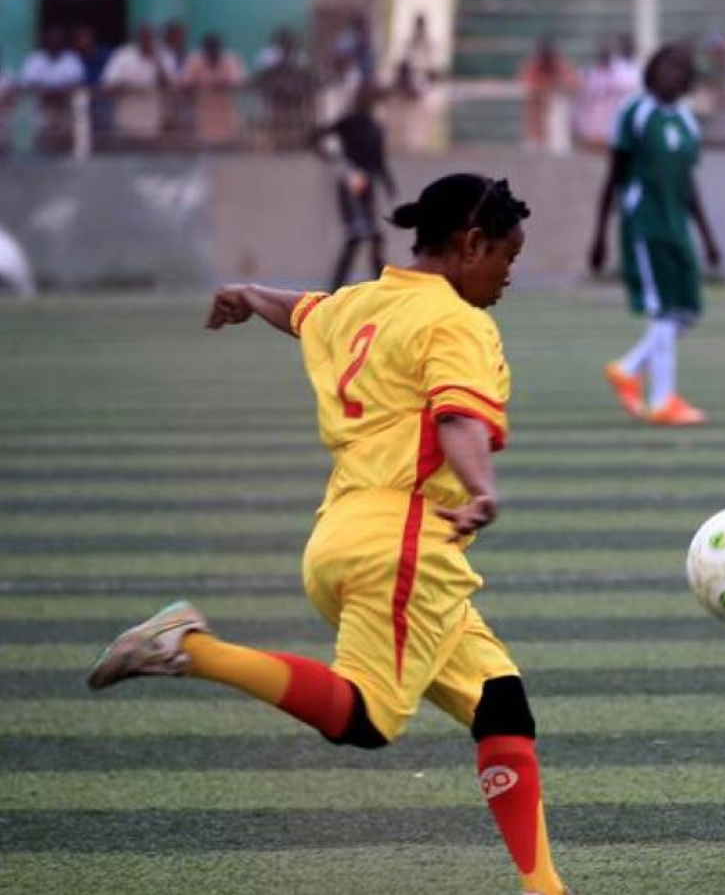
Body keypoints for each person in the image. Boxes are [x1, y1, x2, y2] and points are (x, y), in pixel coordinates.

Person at [86, 173, 574, 895]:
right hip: (409, 541)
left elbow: (302, 312)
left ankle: (547, 890)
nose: (508, 274)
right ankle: (190, 648)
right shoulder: (456, 321)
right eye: (506, 255)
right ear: (471, 244)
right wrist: (482, 488)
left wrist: (250, 297)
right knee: (366, 720)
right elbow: (457, 417)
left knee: (500, 702)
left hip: (342, 536)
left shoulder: (359, 302)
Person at [590, 44, 724, 426]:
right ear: (651, 72)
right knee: (663, 311)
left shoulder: (686, 120)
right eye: (665, 68)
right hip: (644, 224)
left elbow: (687, 183)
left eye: (680, 70)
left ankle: (628, 368)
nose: (672, 76)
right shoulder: (635, 112)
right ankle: (662, 399)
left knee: (687, 312)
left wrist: (708, 237)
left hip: (676, 225)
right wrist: (599, 234)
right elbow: (614, 176)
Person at [311, 80, 397, 290]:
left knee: (372, 235)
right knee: (357, 234)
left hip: (367, 184)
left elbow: (379, 160)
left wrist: (388, 183)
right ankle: (337, 287)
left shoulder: (375, 127)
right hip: (352, 181)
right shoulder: (349, 122)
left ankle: (380, 285)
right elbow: (317, 135)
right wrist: (328, 156)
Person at [21, 26, 85, 154]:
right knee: (42, 142)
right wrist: (47, 91)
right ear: (45, 41)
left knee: (65, 142)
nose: (54, 42)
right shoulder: (35, 59)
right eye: (51, 40)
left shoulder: (71, 60)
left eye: (58, 40)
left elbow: (77, 84)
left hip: (65, 109)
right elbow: (29, 84)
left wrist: (56, 91)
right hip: (42, 109)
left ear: (63, 42)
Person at [180, 33, 246, 147]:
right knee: (204, 151)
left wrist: (217, 84)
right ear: (204, 50)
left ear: (221, 49)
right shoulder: (195, 60)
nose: (213, 53)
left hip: (226, 115)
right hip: (203, 116)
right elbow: (185, 83)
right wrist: (203, 85)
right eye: (209, 50)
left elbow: (238, 82)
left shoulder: (230, 60)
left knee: (227, 153)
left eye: (216, 49)